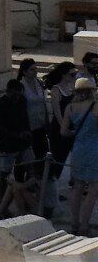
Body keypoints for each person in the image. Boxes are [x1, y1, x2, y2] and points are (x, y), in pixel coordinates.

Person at [0, 77, 39, 203]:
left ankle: (29, 196)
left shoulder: (22, 101)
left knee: (32, 167)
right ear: (9, 92)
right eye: (15, 94)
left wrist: (27, 132)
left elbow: (25, 118)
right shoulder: (1, 104)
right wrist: (16, 135)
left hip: (23, 143)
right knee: (5, 173)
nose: (17, 97)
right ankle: (2, 202)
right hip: (8, 144)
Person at [65, 77, 98, 234]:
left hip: (78, 148)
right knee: (93, 188)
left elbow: (63, 132)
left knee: (77, 187)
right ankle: (85, 224)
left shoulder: (70, 108)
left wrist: (78, 132)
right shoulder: (95, 106)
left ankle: (74, 223)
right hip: (94, 149)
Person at [46, 62, 78, 216]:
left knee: (74, 157)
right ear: (64, 74)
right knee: (58, 160)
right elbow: (57, 113)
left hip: (72, 128)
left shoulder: (71, 88)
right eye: (72, 74)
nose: (74, 77)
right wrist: (63, 128)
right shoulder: (56, 90)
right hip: (59, 129)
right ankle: (51, 193)